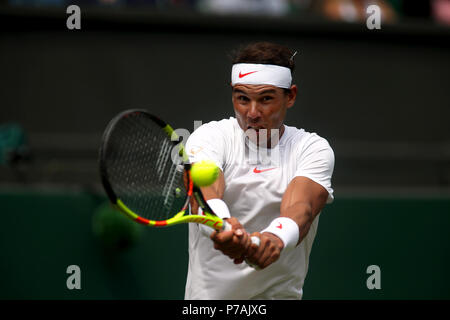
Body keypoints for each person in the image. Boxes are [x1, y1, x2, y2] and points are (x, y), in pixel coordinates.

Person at [184, 42, 334, 299]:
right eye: (243, 98)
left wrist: (275, 239)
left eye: (266, 99)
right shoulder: (208, 137)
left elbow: (302, 209)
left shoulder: (312, 148)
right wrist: (222, 227)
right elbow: (204, 198)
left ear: (291, 96)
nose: (252, 113)